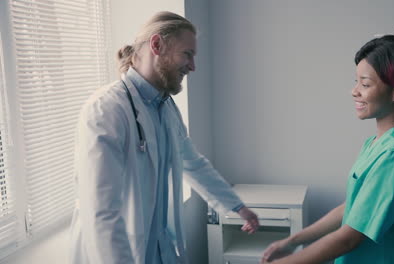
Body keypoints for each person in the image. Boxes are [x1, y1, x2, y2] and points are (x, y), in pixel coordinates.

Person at [69, 11, 259, 264]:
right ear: (157, 45)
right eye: (187, 54)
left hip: (156, 245)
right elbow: (101, 213)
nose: (193, 66)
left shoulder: (165, 107)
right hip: (118, 252)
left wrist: (237, 207)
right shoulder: (107, 109)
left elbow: (193, 163)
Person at [261, 35, 394, 264]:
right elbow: (353, 208)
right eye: (356, 82)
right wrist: (292, 241)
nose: (354, 91)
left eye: (365, 84)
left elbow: (348, 239)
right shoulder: (377, 144)